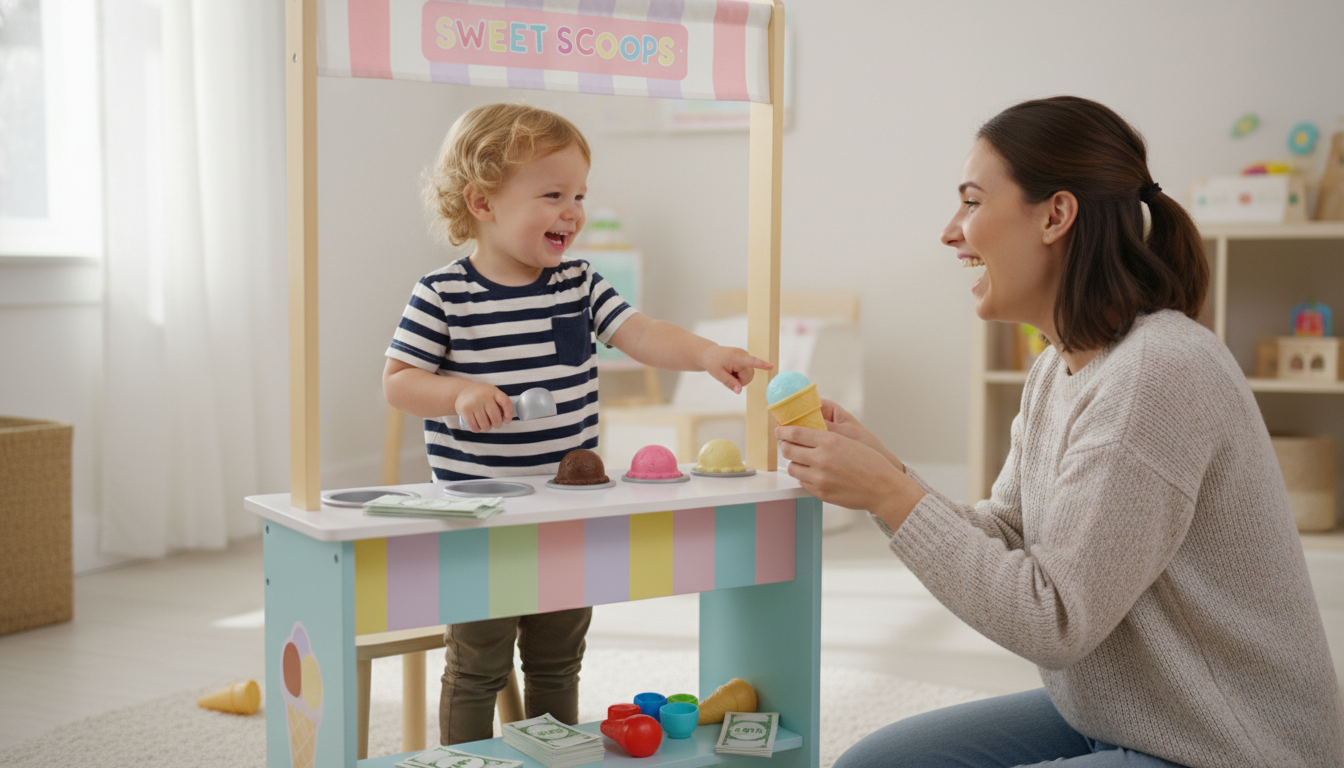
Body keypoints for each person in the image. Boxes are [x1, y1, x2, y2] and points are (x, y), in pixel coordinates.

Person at [777, 96, 1344, 767]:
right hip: (1128, 712)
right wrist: (890, 475)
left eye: (971, 202)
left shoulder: (1156, 373)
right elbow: (1014, 537)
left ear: (1055, 215)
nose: (951, 232)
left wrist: (889, 498)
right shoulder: (1059, 368)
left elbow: (1053, 619)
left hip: (1228, 746)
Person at [383, 102, 771, 745]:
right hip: (481, 517)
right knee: (478, 663)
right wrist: (457, 393)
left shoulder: (578, 284)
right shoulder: (443, 294)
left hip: (568, 510)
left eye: (579, 195)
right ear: (482, 202)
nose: (573, 210)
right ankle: (469, 764)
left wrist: (705, 354)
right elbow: (399, 383)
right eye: (553, 194)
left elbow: (641, 333)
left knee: (557, 658)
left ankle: (552, 755)